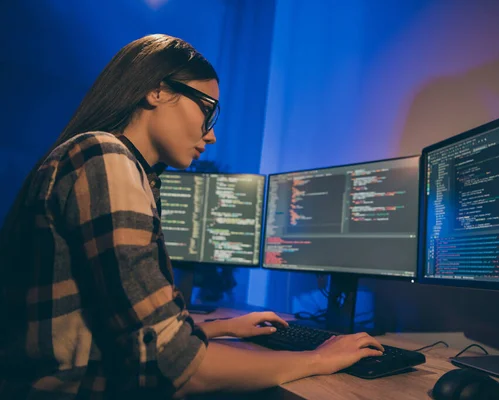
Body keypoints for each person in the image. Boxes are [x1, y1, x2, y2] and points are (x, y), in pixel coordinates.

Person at [0, 34, 384, 399]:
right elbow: (175, 368)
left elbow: (112, 326)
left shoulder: (108, 161)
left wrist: (216, 328)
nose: (211, 135)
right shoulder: (104, 156)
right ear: (158, 90)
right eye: (206, 109)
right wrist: (319, 357)